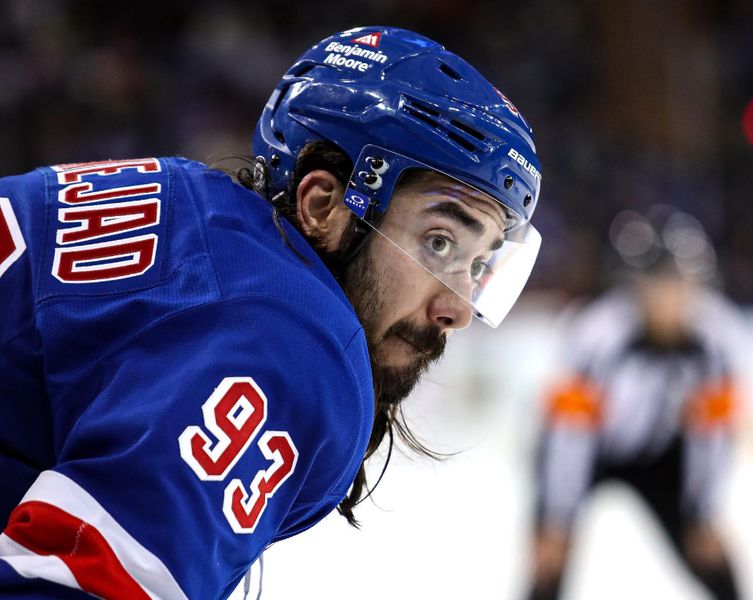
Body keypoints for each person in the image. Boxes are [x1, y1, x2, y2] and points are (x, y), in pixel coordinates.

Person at [0, 26, 543, 599]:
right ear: (322, 205)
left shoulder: (196, 215)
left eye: (479, 264)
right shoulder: (293, 335)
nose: (458, 307)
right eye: (440, 242)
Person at [527, 207, 743, 600]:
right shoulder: (596, 335)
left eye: (682, 283)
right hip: (591, 452)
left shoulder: (717, 338)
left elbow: (714, 436)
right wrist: (555, 517)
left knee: (715, 562)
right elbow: (567, 438)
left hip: (663, 455)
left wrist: (702, 510)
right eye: (659, 284)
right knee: (548, 565)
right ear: (637, 287)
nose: (671, 297)